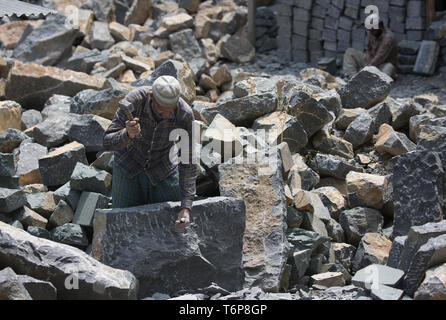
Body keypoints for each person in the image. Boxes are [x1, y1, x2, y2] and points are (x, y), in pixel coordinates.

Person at [103, 75, 197, 233]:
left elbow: (188, 160)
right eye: (162, 110)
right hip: (128, 164)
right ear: (152, 97)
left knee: (173, 224)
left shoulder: (184, 114)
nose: (167, 114)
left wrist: (186, 206)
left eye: (170, 110)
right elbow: (106, 142)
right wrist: (127, 134)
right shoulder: (134, 101)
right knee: (122, 225)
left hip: (162, 168)